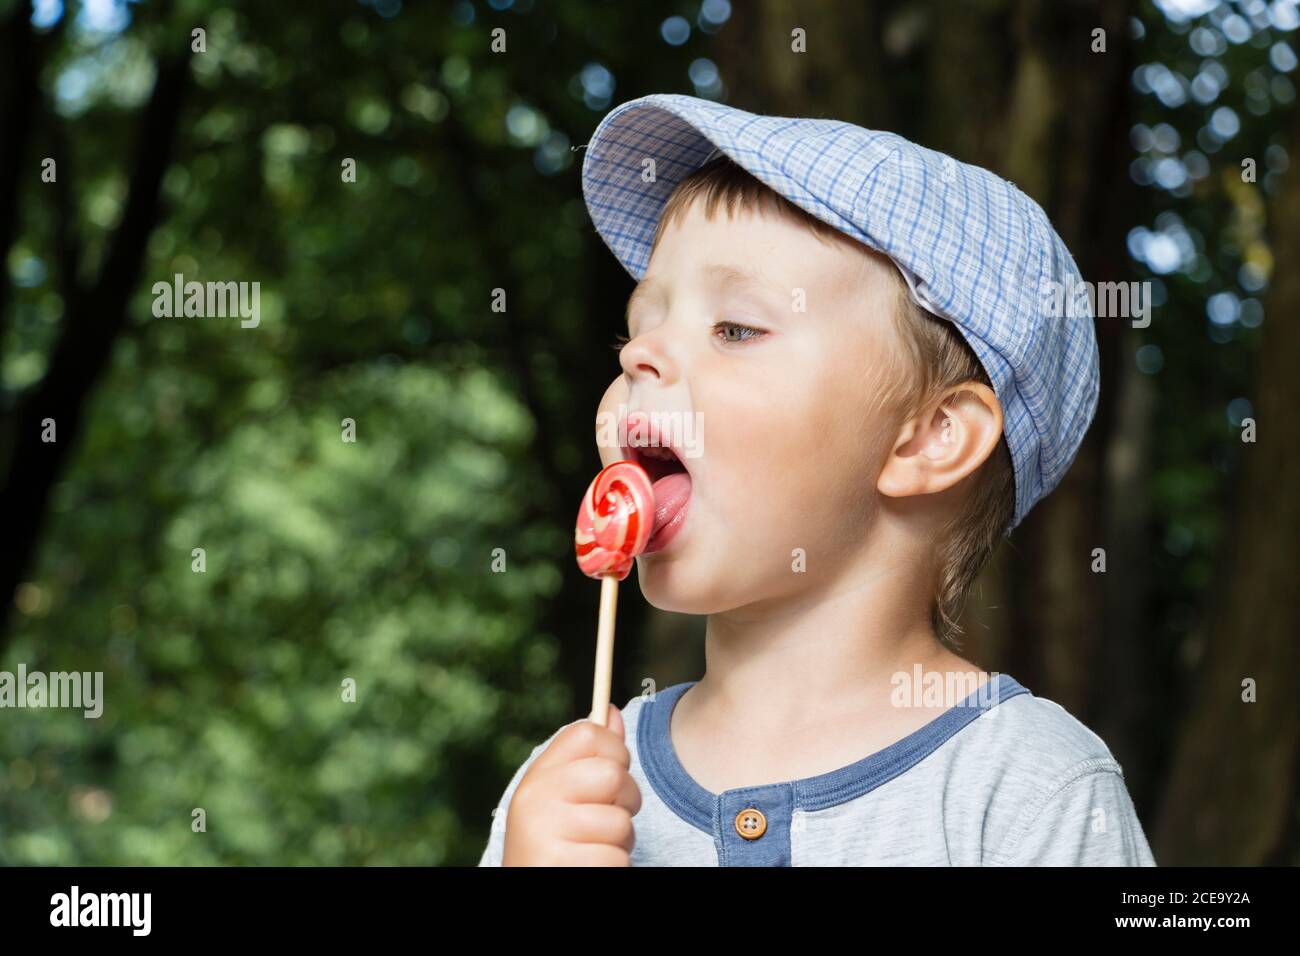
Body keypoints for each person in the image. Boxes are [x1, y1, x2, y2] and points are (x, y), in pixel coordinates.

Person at [479, 94, 1156, 866]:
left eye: (735, 328)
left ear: (929, 438)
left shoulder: (1029, 788)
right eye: (637, 327)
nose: (641, 356)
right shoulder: (567, 792)